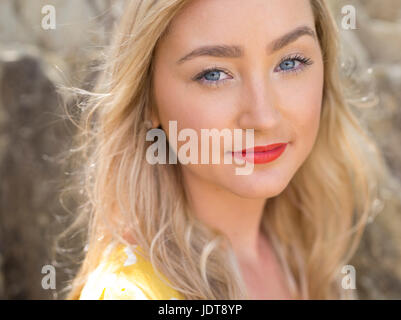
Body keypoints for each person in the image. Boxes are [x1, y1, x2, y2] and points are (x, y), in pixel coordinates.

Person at [61, 0, 389, 300]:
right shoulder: (131, 294)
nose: (263, 117)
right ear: (148, 100)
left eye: (290, 62)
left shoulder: (302, 250)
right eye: (214, 74)